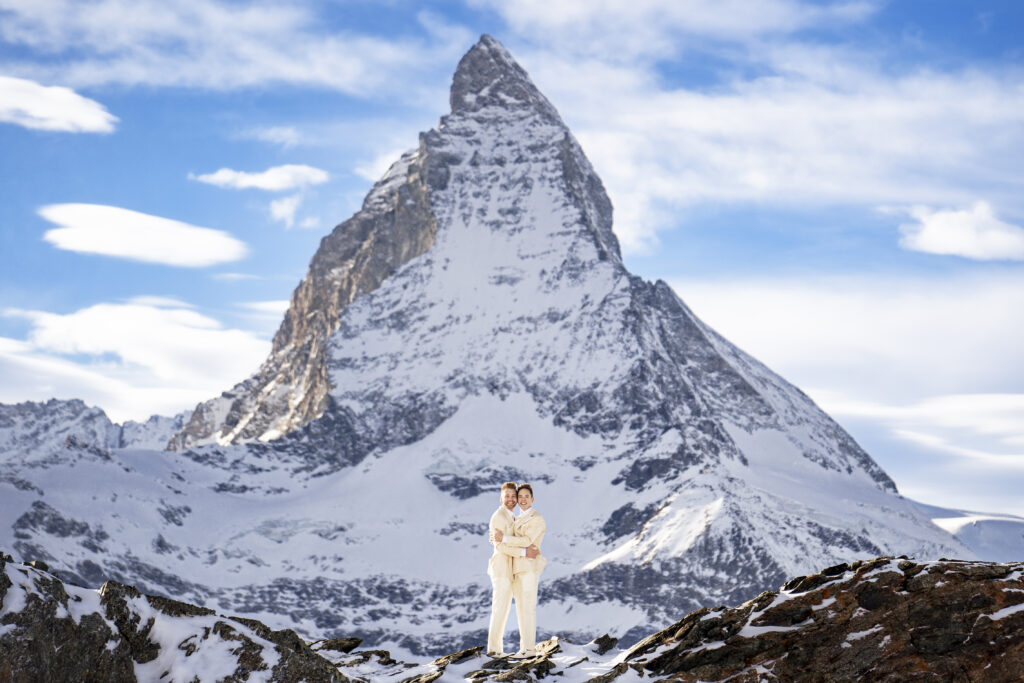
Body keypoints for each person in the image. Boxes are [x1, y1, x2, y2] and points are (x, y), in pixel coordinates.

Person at [494, 483, 546, 658]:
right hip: (517, 569)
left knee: (528, 608)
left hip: (529, 568)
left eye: (526, 496)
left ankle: (529, 649)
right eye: (520, 496)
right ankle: (524, 648)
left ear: (532, 499)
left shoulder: (536, 518)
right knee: (521, 610)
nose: (522, 500)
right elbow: (505, 542)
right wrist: (498, 541)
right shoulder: (516, 519)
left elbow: (527, 540)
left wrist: (504, 538)